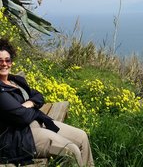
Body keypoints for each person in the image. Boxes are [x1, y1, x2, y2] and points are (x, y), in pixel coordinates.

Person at [0, 38, 94, 166]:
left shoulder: (15, 80)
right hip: (20, 135)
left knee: (82, 137)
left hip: (36, 121)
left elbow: (38, 96)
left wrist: (30, 103)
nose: (4, 64)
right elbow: (22, 117)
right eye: (0, 61)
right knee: (72, 150)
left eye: (7, 60)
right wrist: (32, 107)